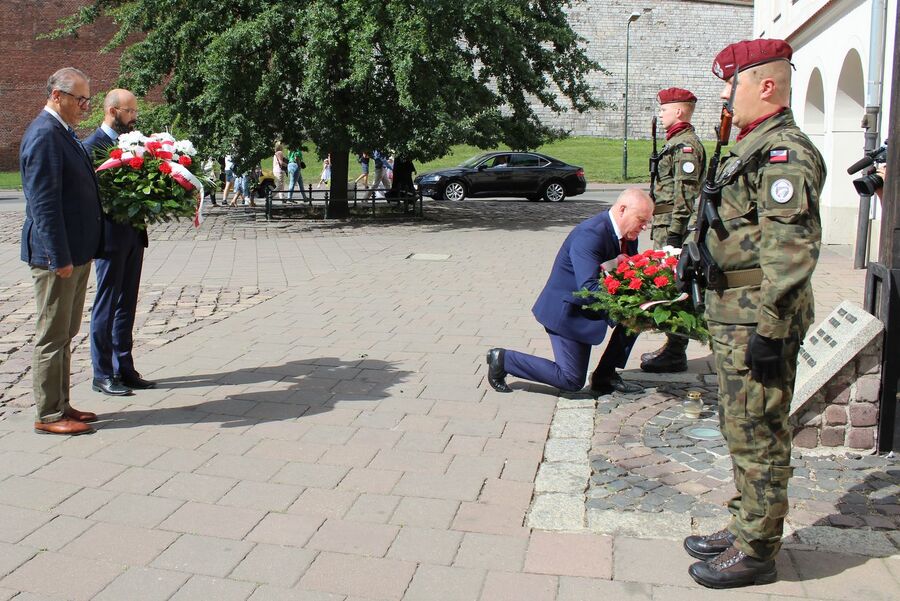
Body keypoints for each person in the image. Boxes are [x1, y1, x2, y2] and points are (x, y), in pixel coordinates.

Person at [683, 39, 826, 589]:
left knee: (759, 431)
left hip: (756, 320)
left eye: (732, 83)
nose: (723, 94)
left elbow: (791, 254)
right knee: (738, 425)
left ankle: (758, 550)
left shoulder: (785, 152)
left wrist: (770, 330)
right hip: (733, 313)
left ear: (765, 85)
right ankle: (746, 524)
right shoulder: (754, 145)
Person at [486, 189, 653, 395]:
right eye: (641, 220)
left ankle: (605, 376)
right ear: (622, 210)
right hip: (568, 312)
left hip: (589, 307)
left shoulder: (628, 234)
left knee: (640, 315)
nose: (645, 226)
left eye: (647, 221)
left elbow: (630, 270)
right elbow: (589, 287)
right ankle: (503, 359)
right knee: (571, 380)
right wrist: (627, 305)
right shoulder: (591, 234)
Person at [20, 67, 103, 435]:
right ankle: (49, 414)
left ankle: (62, 403)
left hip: (75, 251)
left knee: (66, 331)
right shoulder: (44, 135)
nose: (85, 107)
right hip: (58, 256)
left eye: (87, 99)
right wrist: (58, 256)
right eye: (80, 99)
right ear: (57, 95)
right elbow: (44, 204)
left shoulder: (62, 132)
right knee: (52, 335)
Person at [83, 88, 156, 397]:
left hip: (133, 235)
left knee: (127, 304)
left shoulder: (133, 143)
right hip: (110, 238)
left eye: (135, 111)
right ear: (112, 111)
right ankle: (102, 373)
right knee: (107, 304)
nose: (134, 117)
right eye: (129, 112)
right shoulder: (92, 147)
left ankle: (124, 366)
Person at [640, 87, 706, 374]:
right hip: (664, 224)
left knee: (673, 287)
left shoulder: (686, 146)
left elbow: (686, 195)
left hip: (672, 228)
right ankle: (672, 345)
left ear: (678, 111)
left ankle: (676, 351)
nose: (662, 114)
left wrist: (675, 235)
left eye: (665, 109)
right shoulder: (675, 142)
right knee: (666, 286)